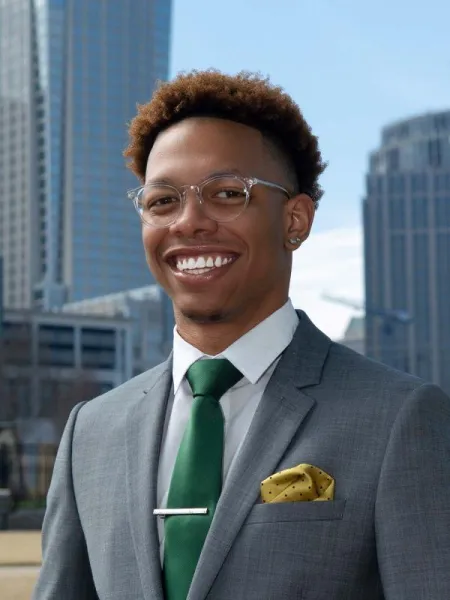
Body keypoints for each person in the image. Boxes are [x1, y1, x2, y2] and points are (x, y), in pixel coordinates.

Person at [33, 70, 450, 600]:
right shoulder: (90, 432)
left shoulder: (400, 418)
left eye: (227, 193)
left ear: (295, 220)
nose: (189, 222)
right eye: (163, 201)